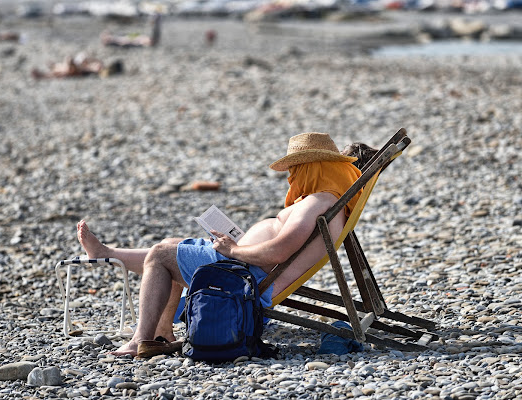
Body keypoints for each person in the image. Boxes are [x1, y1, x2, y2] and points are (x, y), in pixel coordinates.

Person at [77, 132, 366, 357]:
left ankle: (142, 338)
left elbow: (280, 250)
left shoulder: (317, 202)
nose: (291, 177)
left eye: (296, 168)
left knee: (161, 254)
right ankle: (158, 328)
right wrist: (237, 247)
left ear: (313, 166)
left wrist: (233, 250)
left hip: (245, 277)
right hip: (246, 267)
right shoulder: (328, 201)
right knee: (168, 247)